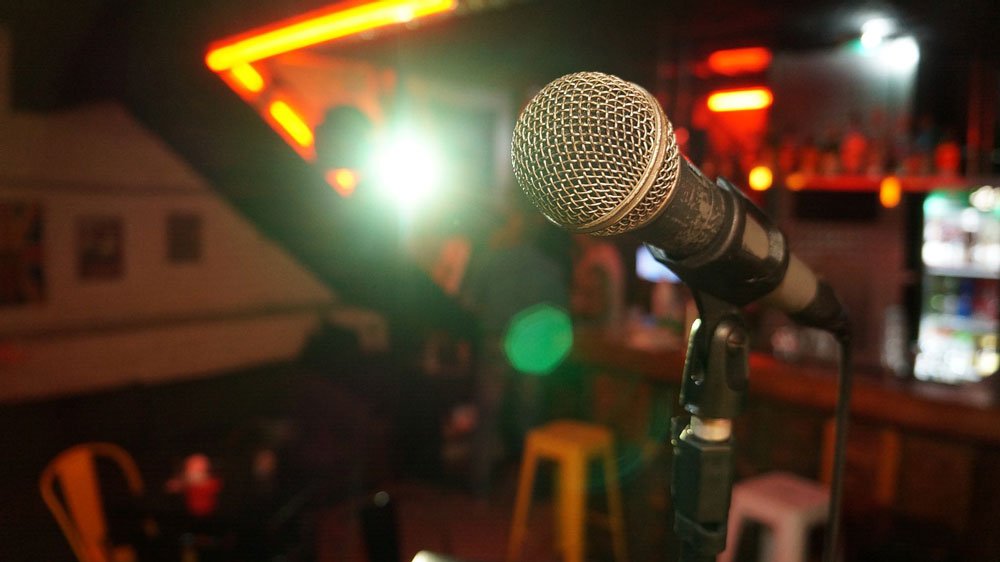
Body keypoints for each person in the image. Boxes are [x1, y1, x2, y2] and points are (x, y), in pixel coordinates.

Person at [460, 188, 571, 497]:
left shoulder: (491, 260)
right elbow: (560, 313)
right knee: (529, 419)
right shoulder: (550, 268)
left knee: (487, 418)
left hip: (495, 342)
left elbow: (470, 303)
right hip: (532, 351)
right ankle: (529, 491)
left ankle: (478, 490)